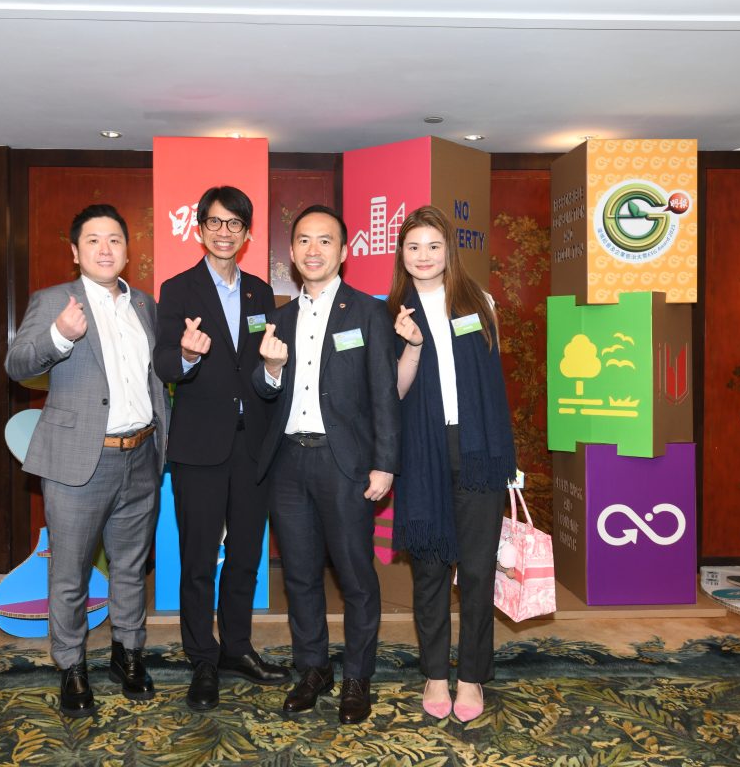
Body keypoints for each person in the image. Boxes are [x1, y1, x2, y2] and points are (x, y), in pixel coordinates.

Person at [4, 203, 168, 719]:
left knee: (131, 566)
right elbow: (17, 364)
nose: (105, 249)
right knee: (70, 572)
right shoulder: (54, 300)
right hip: (80, 460)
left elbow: (156, 376)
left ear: (127, 250)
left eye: (114, 239)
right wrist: (59, 335)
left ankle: (128, 653)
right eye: (93, 240)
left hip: (141, 454)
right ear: (75, 252)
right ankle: (72, 665)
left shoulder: (144, 304)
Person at [252, 204, 400, 725]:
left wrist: (385, 464)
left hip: (346, 465)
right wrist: (271, 369)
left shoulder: (368, 313)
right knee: (299, 576)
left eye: (325, 241)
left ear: (344, 251)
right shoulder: (279, 317)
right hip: (288, 464)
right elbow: (263, 391)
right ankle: (313, 669)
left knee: (355, 575)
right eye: (304, 241)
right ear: (291, 253)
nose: (313, 250)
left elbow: (384, 394)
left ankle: (358, 675)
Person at [153, 186, 290, 711]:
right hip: (199, 448)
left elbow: (261, 366)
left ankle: (237, 648)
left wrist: (272, 372)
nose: (224, 232)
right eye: (215, 222)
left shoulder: (259, 292)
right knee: (197, 561)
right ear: (200, 229)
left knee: (246, 557)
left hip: (252, 447)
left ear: (247, 233)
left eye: (235, 223)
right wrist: (187, 356)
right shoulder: (178, 289)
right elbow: (165, 362)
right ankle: (202, 659)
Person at [387, 205, 516, 724]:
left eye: (433, 246)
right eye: (413, 246)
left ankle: (472, 677)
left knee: (479, 571)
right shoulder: (389, 312)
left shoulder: (479, 301)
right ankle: (436, 674)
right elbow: (392, 392)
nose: (423, 256)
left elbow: (493, 381)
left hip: (478, 451)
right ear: (401, 252)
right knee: (430, 571)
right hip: (422, 453)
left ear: (449, 251)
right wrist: (412, 347)